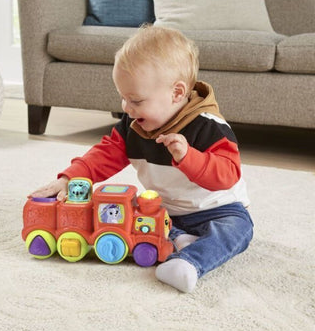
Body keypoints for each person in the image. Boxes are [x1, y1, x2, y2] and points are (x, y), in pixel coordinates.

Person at [30, 25, 253, 293]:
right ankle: (179, 237)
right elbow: (104, 154)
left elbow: (228, 174)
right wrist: (70, 177)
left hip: (218, 209)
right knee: (120, 212)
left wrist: (188, 157)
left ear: (177, 93)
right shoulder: (134, 123)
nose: (126, 108)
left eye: (135, 99)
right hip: (164, 210)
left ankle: (189, 263)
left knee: (239, 230)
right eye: (123, 97)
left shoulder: (209, 127)